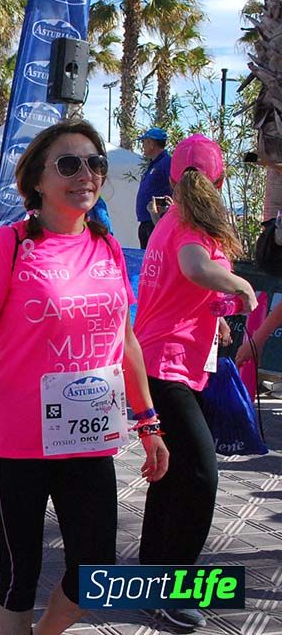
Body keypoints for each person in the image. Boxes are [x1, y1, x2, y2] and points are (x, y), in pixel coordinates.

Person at [0, 120, 169, 635]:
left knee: (96, 570)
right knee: (21, 573)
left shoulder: (106, 246)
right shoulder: (8, 245)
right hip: (17, 438)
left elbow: (125, 340)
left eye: (94, 163)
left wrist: (149, 422)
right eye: (69, 164)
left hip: (88, 439)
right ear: (37, 180)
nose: (86, 174)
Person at [132, 134, 256, 630]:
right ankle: (173, 585)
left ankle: (150, 571)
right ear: (218, 178)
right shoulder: (189, 227)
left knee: (175, 470)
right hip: (166, 368)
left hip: (166, 362)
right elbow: (194, 267)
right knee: (202, 475)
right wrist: (240, 285)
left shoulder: (170, 219)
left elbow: (178, 285)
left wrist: (214, 313)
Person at [136, 127, 172, 248]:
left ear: (151, 143)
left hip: (156, 221)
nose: (143, 146)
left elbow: (174, 185)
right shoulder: (154, 164)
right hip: (146, 221)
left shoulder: (166, 163)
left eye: (144, 142)